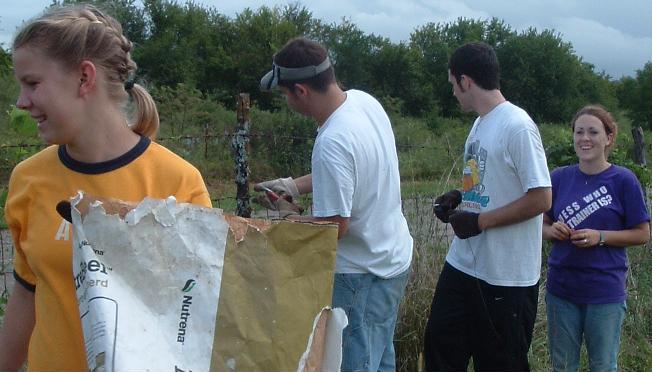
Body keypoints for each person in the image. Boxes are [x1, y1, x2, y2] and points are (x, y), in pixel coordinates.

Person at [0, 5, 211, 371]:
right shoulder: (28, 179)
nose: (21, 102)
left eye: (32, 83)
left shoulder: (178, 182)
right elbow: (28, 291)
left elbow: (200, 320)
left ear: (84, 77)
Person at [256, 37, 413, 372]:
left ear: (300, 90)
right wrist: (292, 187)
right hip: (393, 260)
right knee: (380, 357)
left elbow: (334, 227)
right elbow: (352, 170)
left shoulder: (332, 141)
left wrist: (285, 219)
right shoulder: (362, 102)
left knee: (357, 363)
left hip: (361, 275)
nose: (286, 101)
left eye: (284, 94)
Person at [423, 41, 552, 371]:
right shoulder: (481, 122)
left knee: (499, 363)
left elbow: (541, 198)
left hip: (505, 277)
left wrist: (480, 222)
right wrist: (458, 197)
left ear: (466, 81)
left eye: (453, 84)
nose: (453, 93)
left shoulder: (517, 126)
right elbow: (487, 181)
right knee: (439, 347)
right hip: (464, 265)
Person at [543, 105, 650, 371]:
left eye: (593, 131)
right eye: (579, 132)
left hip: (604, 292)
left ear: (609, 138)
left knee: (602, 365)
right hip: (562, 289)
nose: (584, 138)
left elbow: (642, 233)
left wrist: (600, 237)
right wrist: (550, 230)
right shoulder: (558, 178)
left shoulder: (623, 180)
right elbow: (540, 224)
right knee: (563, 366)